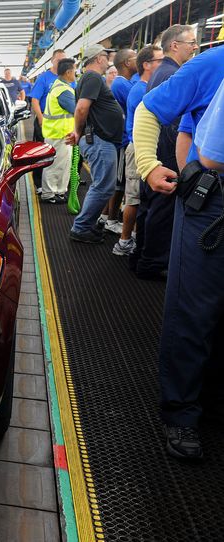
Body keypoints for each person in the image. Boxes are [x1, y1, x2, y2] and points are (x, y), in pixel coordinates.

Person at [133, 43, 224, 460]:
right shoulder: (214, 62)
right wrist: (148, 165)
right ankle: (181, 413)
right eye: (186, 39)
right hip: (213, 206)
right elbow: (151, 110)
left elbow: (189, 126)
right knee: (194, 308)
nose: (191, 43)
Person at [130, 24, 198, 280]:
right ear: (175, 45)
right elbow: (171, 121)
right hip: (166, 151)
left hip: (155, 149)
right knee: (162, 209)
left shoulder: (162, 72)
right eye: (190, 42)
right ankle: (152, 262)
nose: (195, 47)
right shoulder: (173, 74)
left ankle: (141, 256)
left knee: (149, 206)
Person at [65, 44, 123, 244]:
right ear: (99, 58)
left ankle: (86, 225)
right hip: (99, 140)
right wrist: (78, 132)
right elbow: (82, 109)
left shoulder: (89, 78)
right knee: (103, 187)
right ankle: (81, 228)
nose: (108, 60)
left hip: (98, 140)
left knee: (103, 186)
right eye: (106, 56)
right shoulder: (92, 77)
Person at [113, 45, 163, 257]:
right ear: (147, 65)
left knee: (137, 196)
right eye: (161, 60)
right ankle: (124, 242)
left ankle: (133, 237)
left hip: (140, 147)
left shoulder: (145, 87)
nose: (165, 64)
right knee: (133, 197)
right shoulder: (140, 90)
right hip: (137, 148)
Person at [101, 49, 138, 237]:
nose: (138, 60)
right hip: (122, 139)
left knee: (117, 181)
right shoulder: (123, 85)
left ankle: (106, 214)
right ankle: (112, 220)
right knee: (119, 183)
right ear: (126, 63)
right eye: (135, 58)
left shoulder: (121, 83)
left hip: (119, 138)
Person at [31, 49, 67, 195]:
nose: (61, 63)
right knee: (41, 155)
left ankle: (56, 186)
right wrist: (40, 119)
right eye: (58, 60)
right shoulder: (44, 78)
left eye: (64, 61)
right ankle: (39, 184)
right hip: (45, 122)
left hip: (61, 126)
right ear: (52, 60)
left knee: (58, 157)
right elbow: (35, 100)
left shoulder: (67, 78)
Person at [40, 58, 76, 203]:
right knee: (55, 166)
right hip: (58, 134)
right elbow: (76, 110)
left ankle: (58, 192)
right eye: (75, 71)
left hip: (59, 133)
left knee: (61, 165)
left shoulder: (59, 86)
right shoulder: (63, 91)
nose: (76, 74)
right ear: (68, 72)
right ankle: (49, 194)